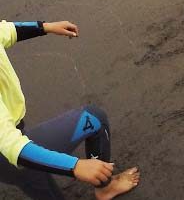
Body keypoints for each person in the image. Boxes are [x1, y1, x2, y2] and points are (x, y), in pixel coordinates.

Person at [0, 19, 140, 199]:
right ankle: (105, 187)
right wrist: (75, 166)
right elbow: (13, 147)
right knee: (94, 118)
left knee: (33, 178)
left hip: (11, 146)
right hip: (9, 155)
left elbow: (5, 31)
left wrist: (44, 27)